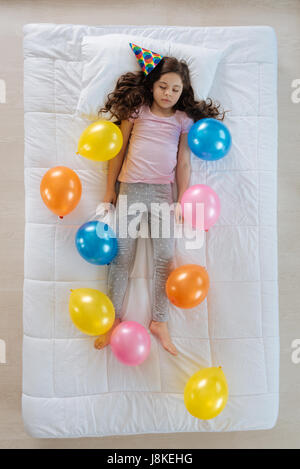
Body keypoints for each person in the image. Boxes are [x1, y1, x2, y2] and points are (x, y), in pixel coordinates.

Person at [94, 46, 225, 355]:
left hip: (163, 194)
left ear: (183, 92)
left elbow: (183, 163)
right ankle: (113, 317)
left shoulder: (182, 121)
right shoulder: (136, 111)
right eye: (163, 86)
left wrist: (181, 200)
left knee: (165, 258)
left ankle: (160, 320)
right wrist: (110, 189)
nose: (168, 93)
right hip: (130, 189)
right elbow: (118, 150)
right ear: (152, 85)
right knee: (121, 256)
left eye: (175, 89)